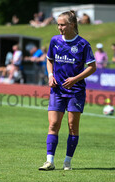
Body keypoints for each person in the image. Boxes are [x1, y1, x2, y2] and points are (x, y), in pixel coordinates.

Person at [38, 10, 96, 171]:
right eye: (58, 24)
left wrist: (75, 79)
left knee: (72, 126)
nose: (59, 28)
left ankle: (67, 162)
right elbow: (49, 60)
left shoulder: (83, 44)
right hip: (57, 90)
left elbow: (92, 67)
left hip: (75, 91)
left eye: (62, 24)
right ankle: (49, 161)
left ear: (71, 25)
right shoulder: (55, 41)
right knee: (53, 124)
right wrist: (50, 75)